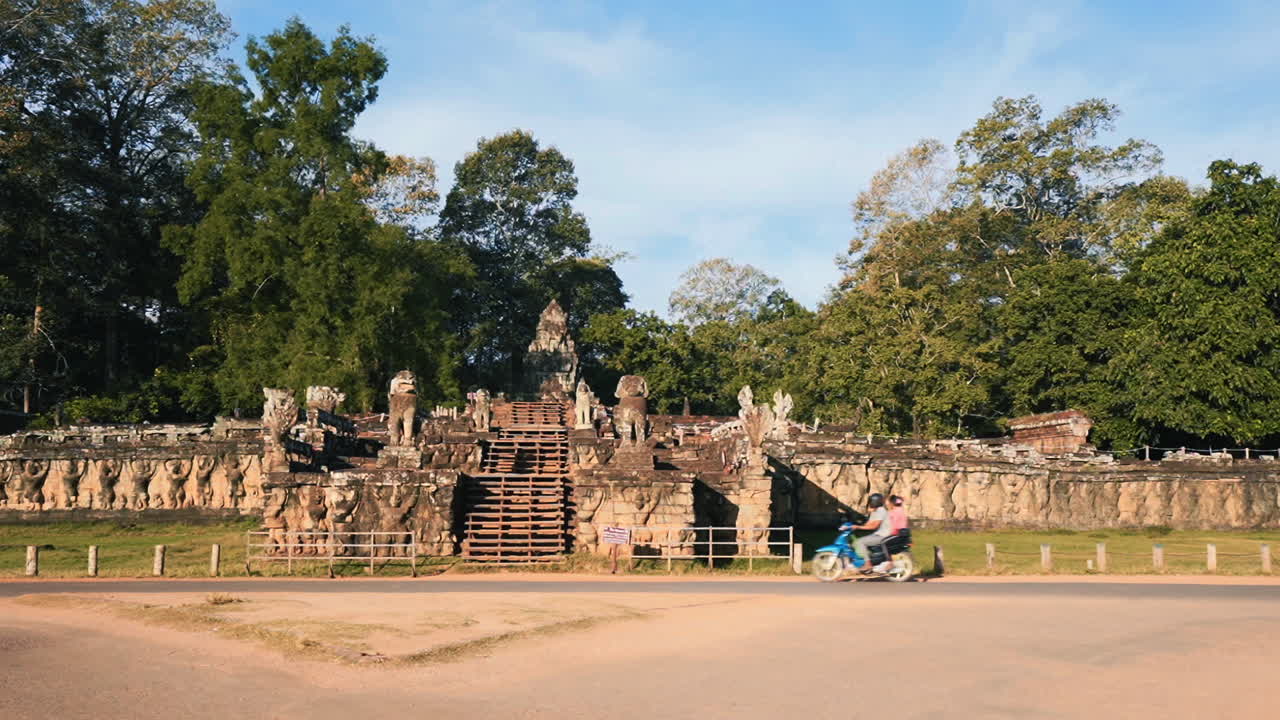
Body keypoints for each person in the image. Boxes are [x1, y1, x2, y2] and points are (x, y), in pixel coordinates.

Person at [851, 493, 894, 573]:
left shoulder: (880, 510)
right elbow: (869, 523)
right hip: (879, 534)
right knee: (861, 539)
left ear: (875, 501)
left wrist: (859, 527)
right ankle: (869, 560)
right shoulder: (876, 510)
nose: (869, 502)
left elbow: (874, 526)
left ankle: (868, 564)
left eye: (871, 501)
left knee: (860, 542)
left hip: (884, 536)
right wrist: (857, 524)